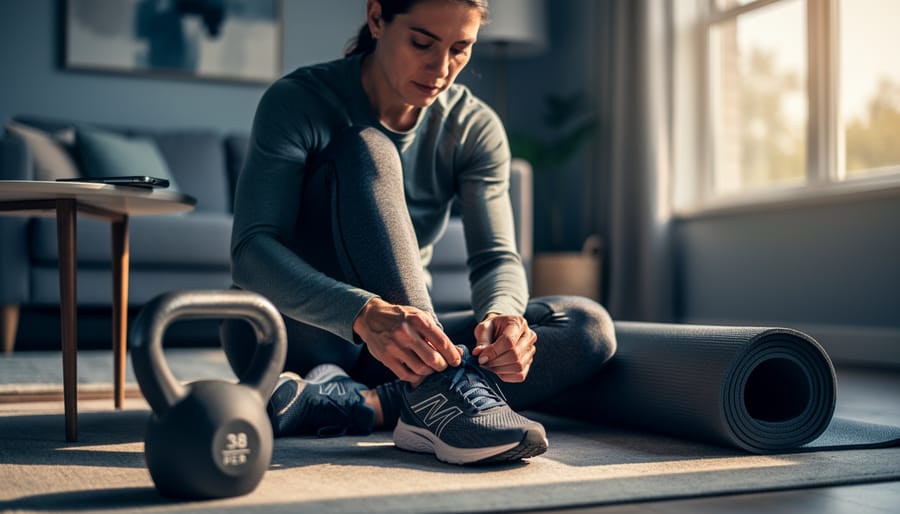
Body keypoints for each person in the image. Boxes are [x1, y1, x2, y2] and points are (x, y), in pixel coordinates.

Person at [222, 0, 616, 466]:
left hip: (401, 349)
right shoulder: (300, 100)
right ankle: (440, 391)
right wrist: (365, 312)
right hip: (291, 332)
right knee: (368, 147)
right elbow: (251, 251)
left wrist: (505, 318)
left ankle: (369, 404)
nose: (441, 68)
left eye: (460, 49)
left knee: (587, 328)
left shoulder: (473, 127)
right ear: (376, 19)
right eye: (422, 43)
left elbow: (495, 259)